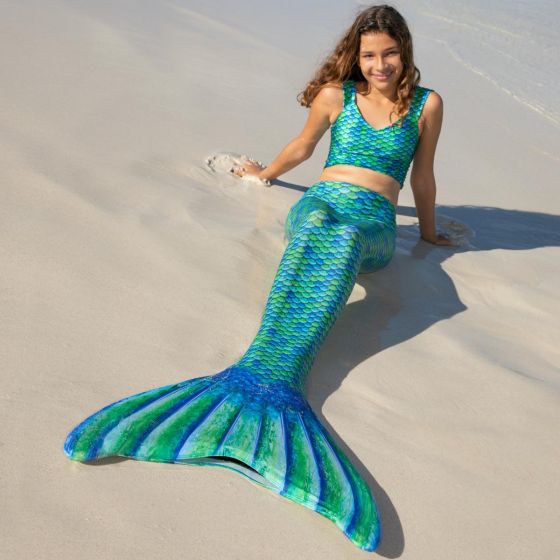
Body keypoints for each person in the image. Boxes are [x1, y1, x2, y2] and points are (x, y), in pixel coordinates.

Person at [63, 4, 455, 553]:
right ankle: (264, 379)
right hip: (321, 198)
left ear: (404, 52)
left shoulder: (426, 104)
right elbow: (303, 147)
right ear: (357, 55)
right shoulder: (336, 96)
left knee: (341, 236)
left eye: (389, 53)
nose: (380, 65)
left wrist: (429, 234)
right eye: (369, 55)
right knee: (318, 222)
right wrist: (265, 174)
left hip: (374, 223)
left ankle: (267, 384)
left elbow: (424, 173)